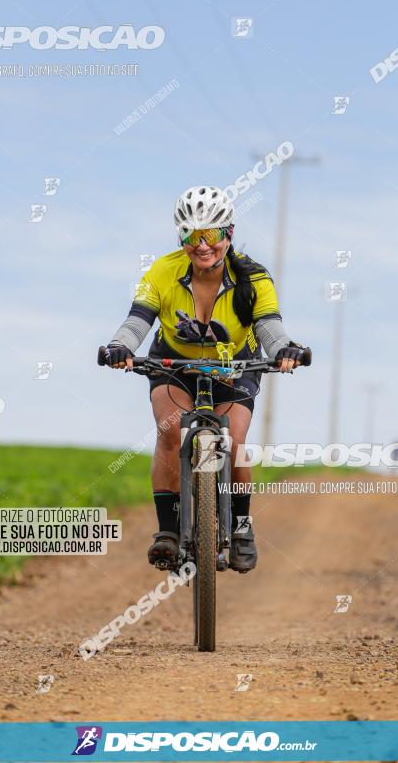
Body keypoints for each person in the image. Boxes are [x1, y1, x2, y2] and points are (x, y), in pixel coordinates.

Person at [104, 186, 305, 572]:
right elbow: (138, 320)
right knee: (167, 431)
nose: (201, 246)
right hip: (173, 366)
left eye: (210, 235)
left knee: (236, 442)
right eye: (190, 236)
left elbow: (270, 327)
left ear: (228, 233)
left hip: (235, 369)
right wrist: (119, 347)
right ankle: (167, 530)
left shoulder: (254, 277)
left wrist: (284, 350)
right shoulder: (162, 271)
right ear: (181, 237)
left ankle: (242, 526)